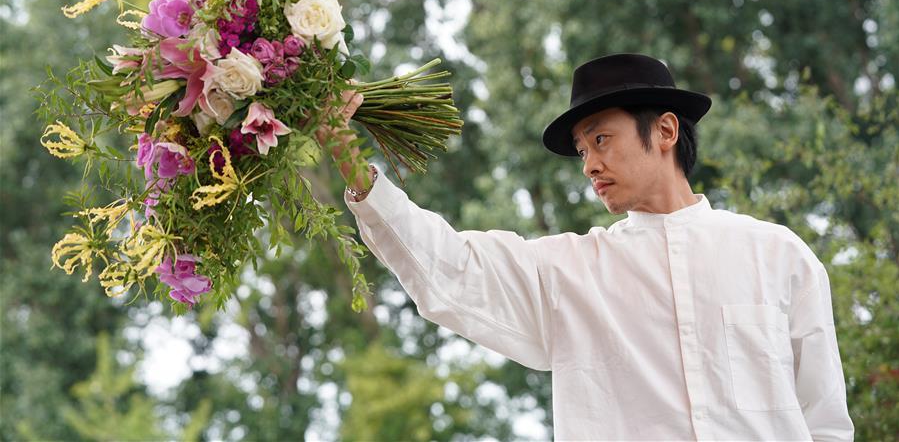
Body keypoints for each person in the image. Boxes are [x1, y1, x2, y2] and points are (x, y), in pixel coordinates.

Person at [316, 53, 854, 441]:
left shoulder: (777, 256)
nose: (590, 165)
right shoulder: (569, 273)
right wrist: (346, 154)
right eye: (581, 150)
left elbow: (825, 420)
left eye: (601, 139)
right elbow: (452, 269)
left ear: (665, 131)